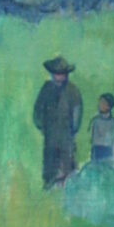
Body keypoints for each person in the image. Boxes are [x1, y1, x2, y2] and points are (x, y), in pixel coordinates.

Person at [33, 55, 82, 188]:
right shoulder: (46, 88)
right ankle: (49, 186)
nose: (59, 77)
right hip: (50, 134)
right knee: (50, 163)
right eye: (56, 74)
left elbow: (76, 115)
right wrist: (42, 126)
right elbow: (38, 110)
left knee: (67, 162)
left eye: (62, 74)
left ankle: (68, 187)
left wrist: (72, 130)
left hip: (66, 134)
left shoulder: (73, 91)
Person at [89, 93, 114, 163]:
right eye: (100, 102)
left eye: (103, 103)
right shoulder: (95, 121)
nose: (100, 105)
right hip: (98, 151)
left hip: (110, 151)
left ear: (109, 106)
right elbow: (93, 141)